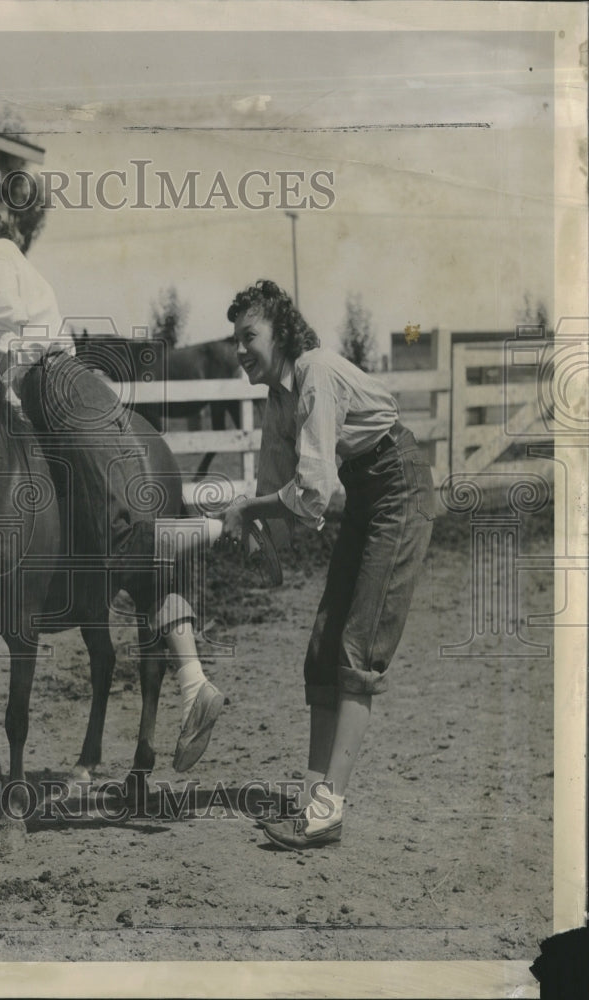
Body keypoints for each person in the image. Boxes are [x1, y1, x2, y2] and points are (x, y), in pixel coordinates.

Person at [0, 190, 224, 771]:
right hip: (41, 393)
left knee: (111, 495)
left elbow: (5, 340)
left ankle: (199, 538)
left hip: (55, 383)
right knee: (80, 508)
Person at [220, 280, 434, 850]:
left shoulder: (313, 371)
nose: (239, 350)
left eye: (250, 336)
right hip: (368, 497)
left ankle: (327, 809)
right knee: (320, 650)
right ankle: (311, 802)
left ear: (280, 332)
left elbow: (312, 493)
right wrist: (258, 535)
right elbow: (279, 499)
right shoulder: (278, 399)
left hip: (400, 489)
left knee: (356, 650)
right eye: (234, 339)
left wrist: (248, 512)